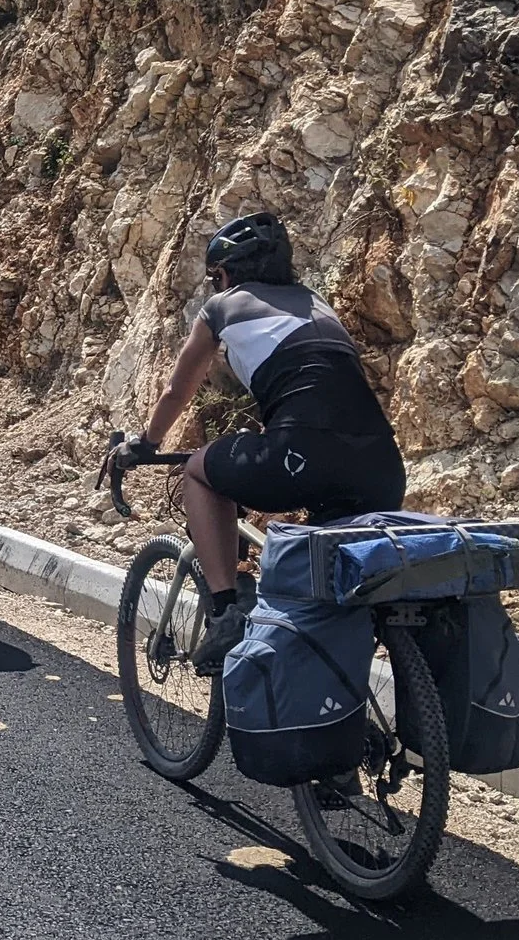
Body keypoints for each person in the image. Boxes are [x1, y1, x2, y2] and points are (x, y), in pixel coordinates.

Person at [127, 211, 404, 673]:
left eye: (216, 276)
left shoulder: (223, 307)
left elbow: (177, 391)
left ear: (227, 273)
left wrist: (146, 444)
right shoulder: (316, 302)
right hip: (381, 465)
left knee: (199, 469)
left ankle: (226, 608)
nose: (217, 285)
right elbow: (320, 390)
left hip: (302, 454)